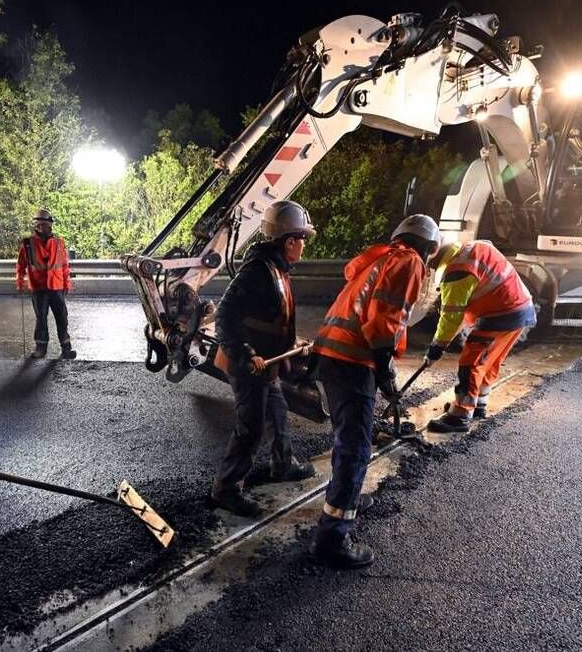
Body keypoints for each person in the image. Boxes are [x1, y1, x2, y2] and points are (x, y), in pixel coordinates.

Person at [309, 214, 437, 568]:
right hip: (353, 359)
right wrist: (384, 371)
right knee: (356, 447)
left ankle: (344, 496)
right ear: (429, 248)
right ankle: (333, 537)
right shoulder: (409, 262)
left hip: (332, 355)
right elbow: (382, 323)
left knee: (347, 437)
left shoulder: (380, 258)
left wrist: (382, 367)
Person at [209, 200, 319, 517]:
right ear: (288, 240)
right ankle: (226, 489)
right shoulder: (257, 272)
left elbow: (271, 318)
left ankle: (282, 464)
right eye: (301, 239)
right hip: (248, 366)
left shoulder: (277, 269)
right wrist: (247, 354)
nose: (303, 245)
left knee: (278, 412)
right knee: (252, 427)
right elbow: (224, 318)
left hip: (266, 366)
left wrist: (292, 341)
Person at [424, 238, 536, 433]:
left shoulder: (456, 273)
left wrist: (436, 347)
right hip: (521, 309)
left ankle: (460, 415)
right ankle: (478, 405)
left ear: (435, 260)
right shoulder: (475, 247)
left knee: (471, 362)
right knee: (489, 362)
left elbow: (451, 318)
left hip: (500, 314)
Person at [16, 208, 75, 359]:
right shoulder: (28, 244)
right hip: (39, 287)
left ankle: (66, 348)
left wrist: (67, 284)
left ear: (50, 225)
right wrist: (20, 282)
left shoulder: (59, 243)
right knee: (41, 318)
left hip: (57, 286)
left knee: (62, 318)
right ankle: (40, 348)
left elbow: (64, 265)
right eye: (39, 224)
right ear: (36, 225)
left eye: (45, 224)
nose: (42, 226)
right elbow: (21, 265)